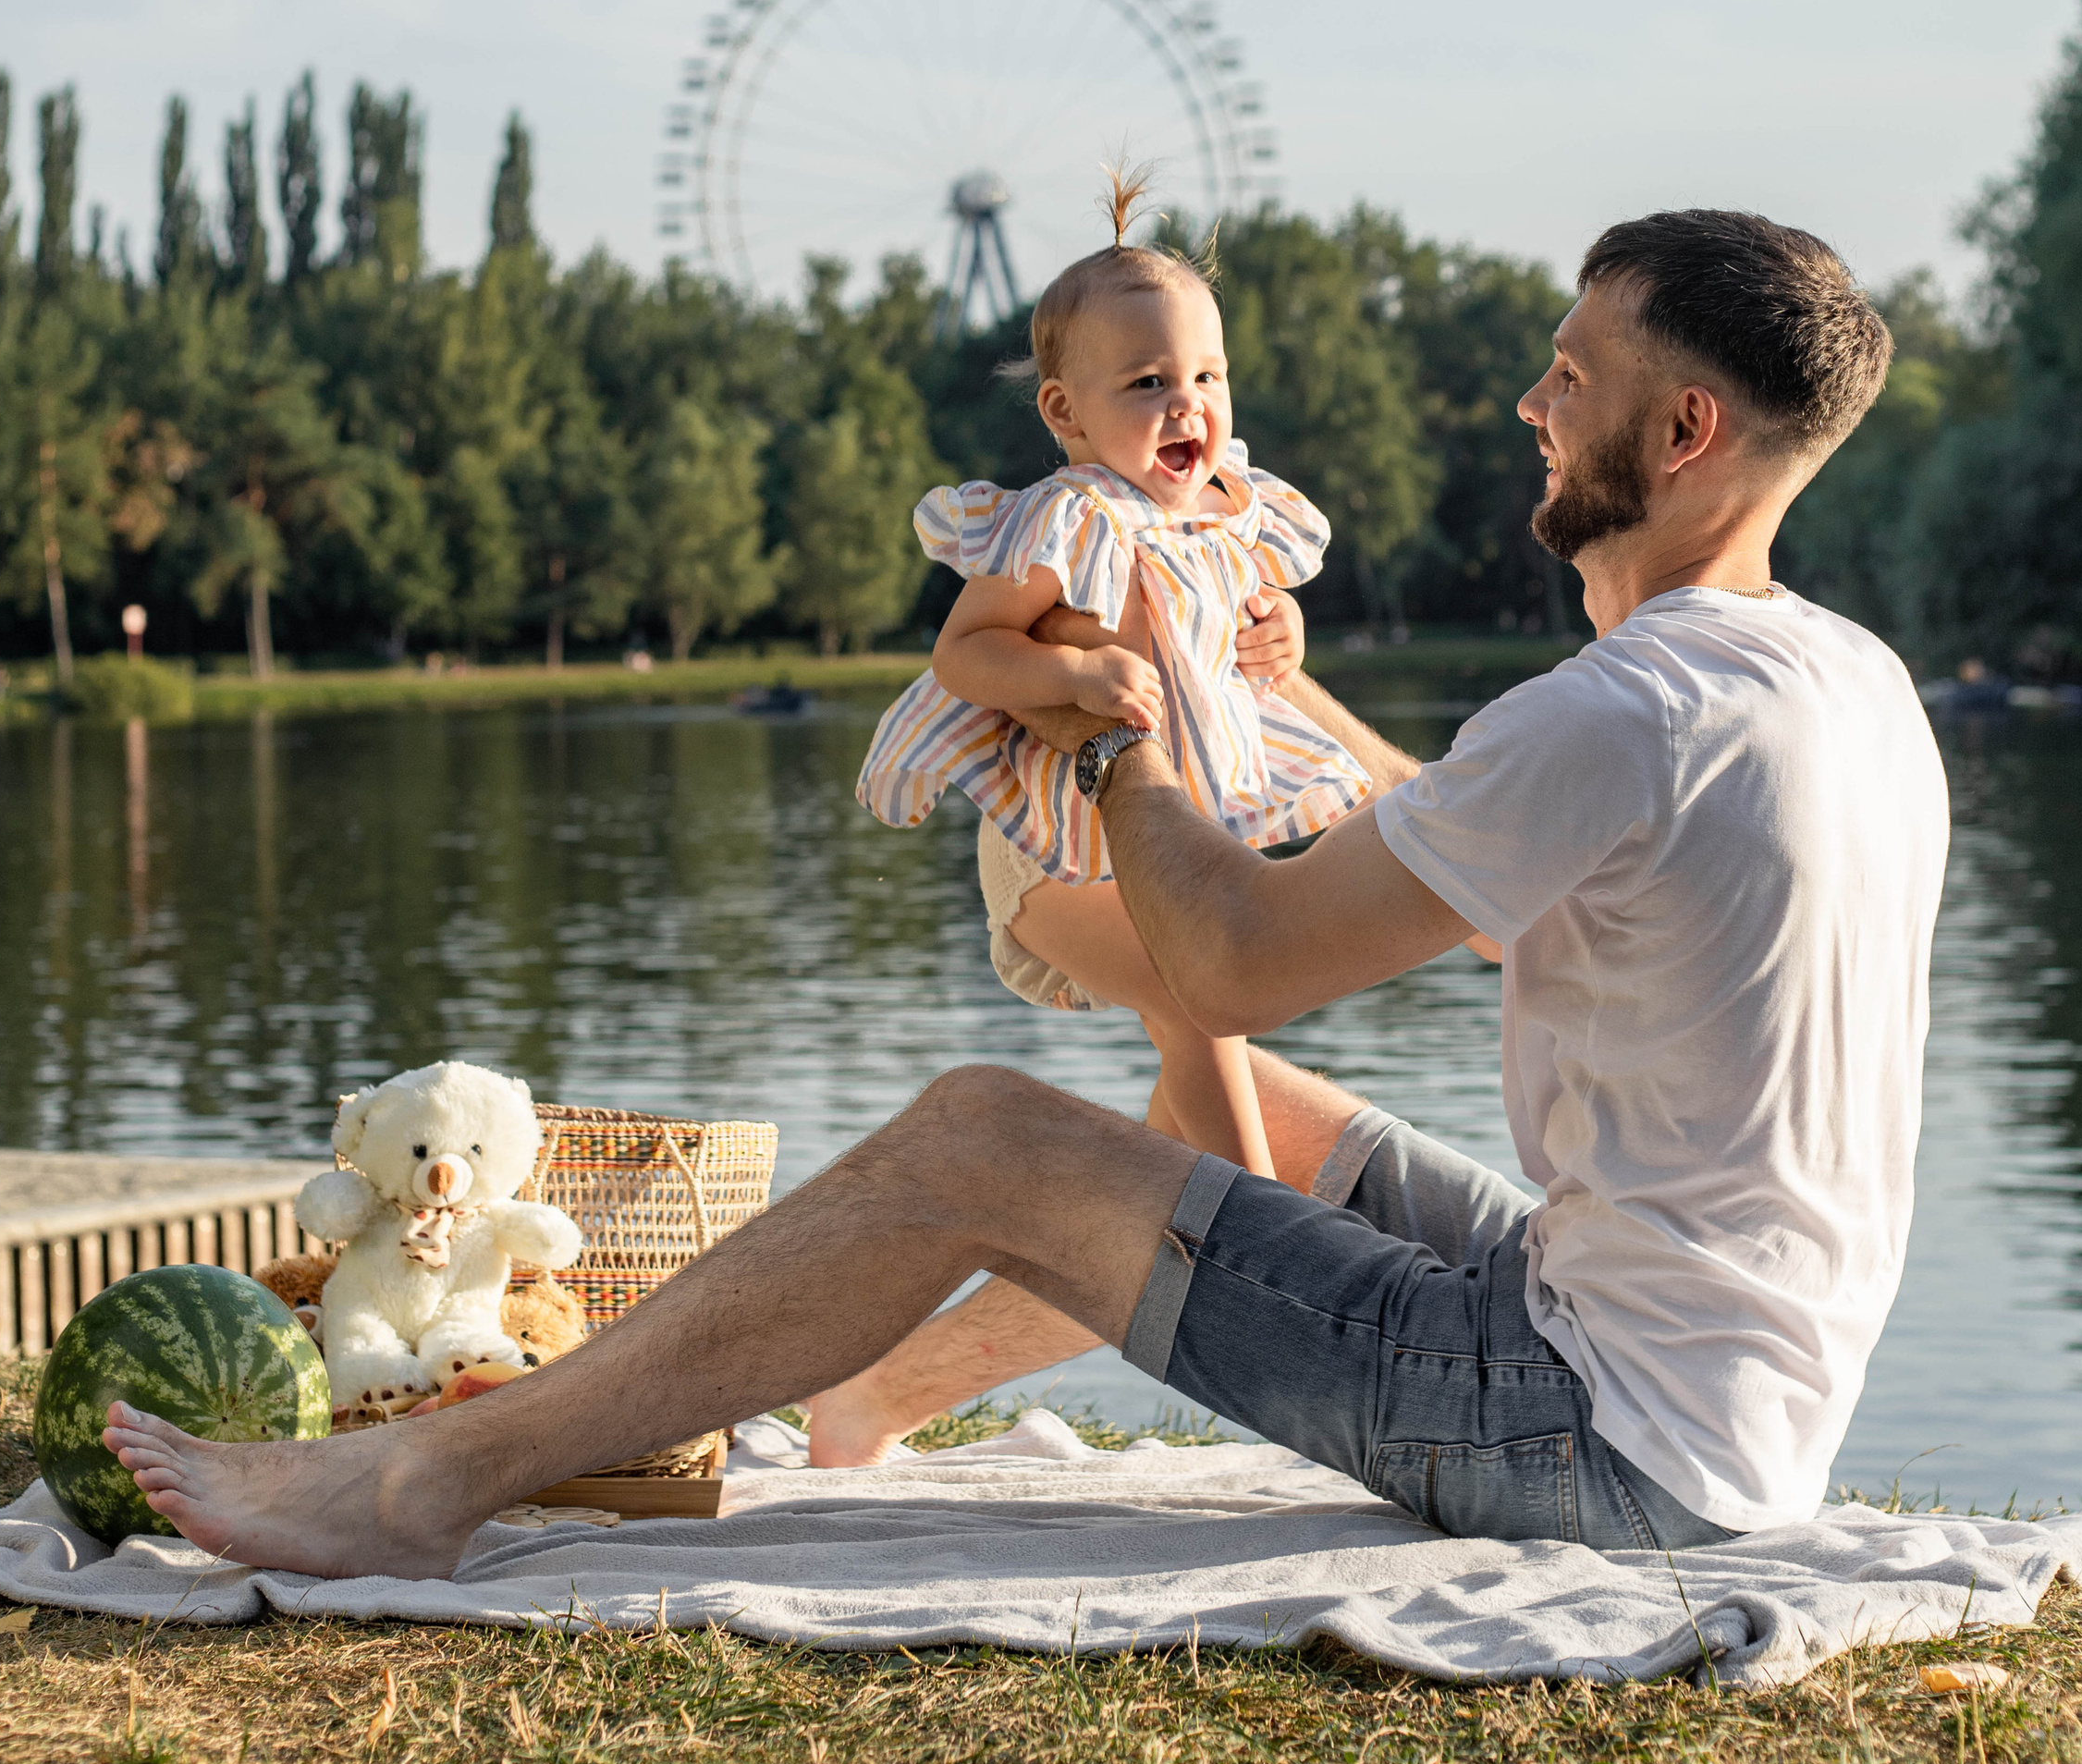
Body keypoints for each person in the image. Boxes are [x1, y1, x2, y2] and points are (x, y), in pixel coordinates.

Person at [105, 207, 1951, 1580]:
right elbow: (1475, 883)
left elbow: (1225, 962)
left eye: (1572, 376)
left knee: (982, 1135)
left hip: (1589, 1431)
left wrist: (1115, 717)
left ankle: (420, 1482)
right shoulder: (1840, 684)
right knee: (1264, 1130)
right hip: (1730, 1408)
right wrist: (1276, 698)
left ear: (1681, 433)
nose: (1532, 403)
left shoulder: (1619, 711)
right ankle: (867, 1397)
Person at [815, 172, 1371, 1461]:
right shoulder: (1070, 516)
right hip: (1059, 856)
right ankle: (1287, 1256)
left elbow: (1237, 639)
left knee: (1147, 1201)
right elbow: (967, 652)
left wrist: (1280, 635)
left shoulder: (1230, 516)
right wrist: (1071, 674)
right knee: (1205, 998)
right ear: (1065, 414)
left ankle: (871, 1401)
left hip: (1174, 851)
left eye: (1208, 377)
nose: (1189, 407)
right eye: (1148, 384)